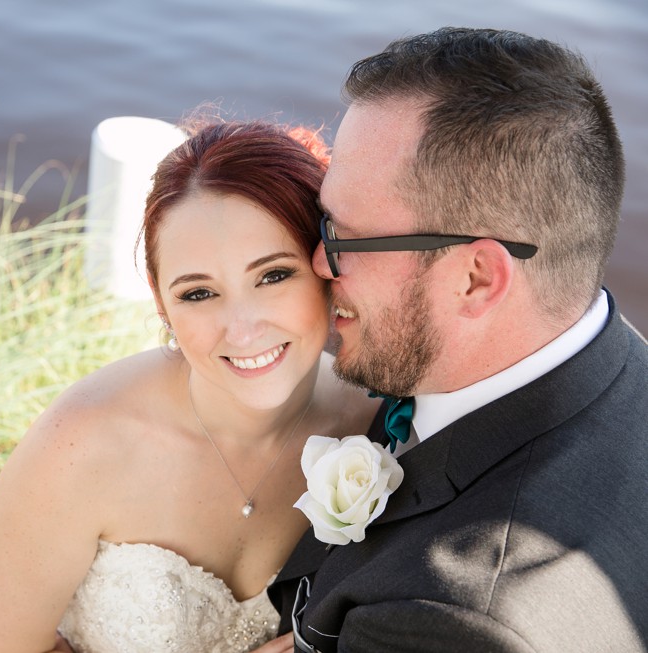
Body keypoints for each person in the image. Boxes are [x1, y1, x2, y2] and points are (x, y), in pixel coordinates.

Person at [269, 26, 648, 652]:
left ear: (475, 279)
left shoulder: (460, 618)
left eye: (342, 235)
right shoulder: (610, 364)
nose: (316, 262)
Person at [0, 119, 379, 653]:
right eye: (198, 294)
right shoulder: (80, 447)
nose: (243, 329)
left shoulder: (378, 424)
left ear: (328, 268)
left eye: (274, 275)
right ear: (163, 306)